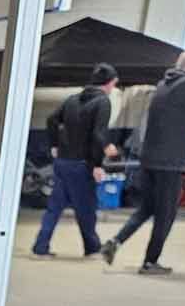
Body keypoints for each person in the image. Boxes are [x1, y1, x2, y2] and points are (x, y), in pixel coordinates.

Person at [102, 50, 185, 275]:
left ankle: (115, 242)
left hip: (149, 160)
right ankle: (150, 262)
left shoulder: (163, 86)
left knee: (146, 209)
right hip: (170, 164)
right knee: (166, 215)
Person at [31, 63, 119, 260]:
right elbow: (98, 134)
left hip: (63, 161)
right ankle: (92, 248)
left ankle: (40, 246)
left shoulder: (72, 99)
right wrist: (99, 162)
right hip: (82, 164)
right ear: (109, 83)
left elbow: (52, 120)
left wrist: (54, 144)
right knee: (86, 208)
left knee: (54, 208)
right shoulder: (103, 102)